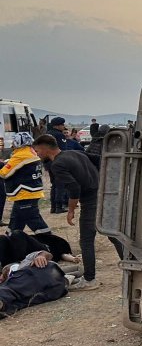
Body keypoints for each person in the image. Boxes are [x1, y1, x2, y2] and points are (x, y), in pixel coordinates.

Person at [32, 134, 115, 288]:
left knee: (86, 240)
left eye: (37, 151)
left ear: (44, 148)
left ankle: (90, 280)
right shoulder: (75, 152)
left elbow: (74, 188)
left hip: (90, 201)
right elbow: (99, 160)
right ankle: (131, 267)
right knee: (113, 235)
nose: (37, 154)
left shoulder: (57, 164)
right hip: (102, 196)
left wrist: (70, 211)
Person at [0, 132, 50, 235]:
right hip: (32, 191)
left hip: (24, 193)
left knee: (34, 221)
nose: (12, 145)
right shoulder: (32, 153)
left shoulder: (19, 155)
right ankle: (10, 242)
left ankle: (51, 242)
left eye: (14, 142)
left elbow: (4, 173)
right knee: (16, 222)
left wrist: (4, 165)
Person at [0, 248, 72, 317]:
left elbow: (48, 254)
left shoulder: (25, 262)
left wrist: (41, 256)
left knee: (10, 290)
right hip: (56, 288)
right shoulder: (10, 283)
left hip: (44, 272)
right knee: (19, 303)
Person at [45, 117, 69, 213]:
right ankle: (59, 206)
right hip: (58, 162)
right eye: (62, 125)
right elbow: (63, 151)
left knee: (54, 184)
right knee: (60, 185)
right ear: (58, 126)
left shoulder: (47, 135)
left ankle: (53, 207)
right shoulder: (59, 135)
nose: (64, 126)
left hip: (48, 162)